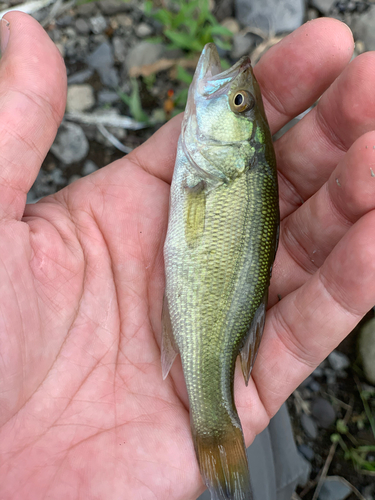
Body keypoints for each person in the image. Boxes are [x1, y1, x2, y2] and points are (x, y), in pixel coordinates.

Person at [0, 11, 375, 500]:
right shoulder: (218, 167)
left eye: (237, 102)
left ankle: (218, 427)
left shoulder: (221, 170)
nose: (234, 86)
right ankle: (233, 452)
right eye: (244, 101)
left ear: (241, 151)